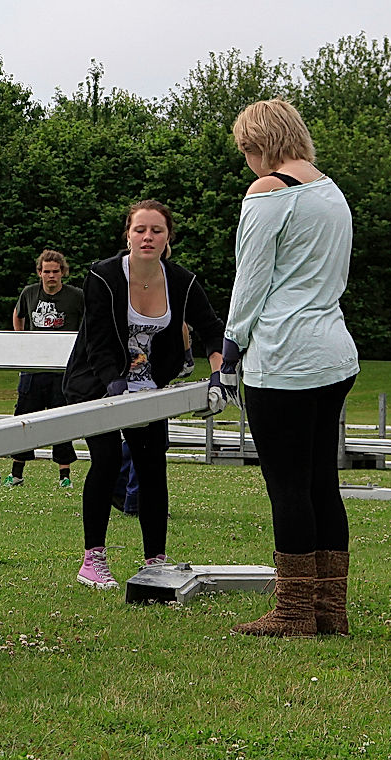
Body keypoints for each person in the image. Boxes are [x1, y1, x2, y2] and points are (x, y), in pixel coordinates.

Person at [226, 99, 359, 637]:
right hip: (333, 354)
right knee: (323, 480)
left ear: (263, 143)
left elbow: (251, 278)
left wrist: (231, 344)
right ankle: (330, 610)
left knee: (288, 486)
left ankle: (293, 612)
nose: (248, 163)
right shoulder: (331, 191)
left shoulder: (268, 193)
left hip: (283, 359)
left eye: (247, 151)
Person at [62, 200, 227, 589]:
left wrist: (220, 375)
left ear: (168, 236)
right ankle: (93, 559)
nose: (148, 237)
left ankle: (156, 561)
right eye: (140, 230)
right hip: (97, 382)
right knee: (104, 461)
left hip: (150, 387)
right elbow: (99, 342)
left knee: (152, 468)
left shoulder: (183, 281)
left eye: (156, 230)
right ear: (128, 235)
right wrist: (115, 387)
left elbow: (213, 329)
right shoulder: (102, 276)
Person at [4, 249, 84, 489]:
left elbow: (89, 322)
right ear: (40, 273)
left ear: (63, 273)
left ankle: (64, 476)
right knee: (24, 418)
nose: (51, 276)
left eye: (55, 272)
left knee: (61, 420)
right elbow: (18, 315)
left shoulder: (76, 296)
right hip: (33, 367)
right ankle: (16, 474)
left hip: (62, 369)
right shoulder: (30, 293)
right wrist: (22, 340)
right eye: (46, 271)